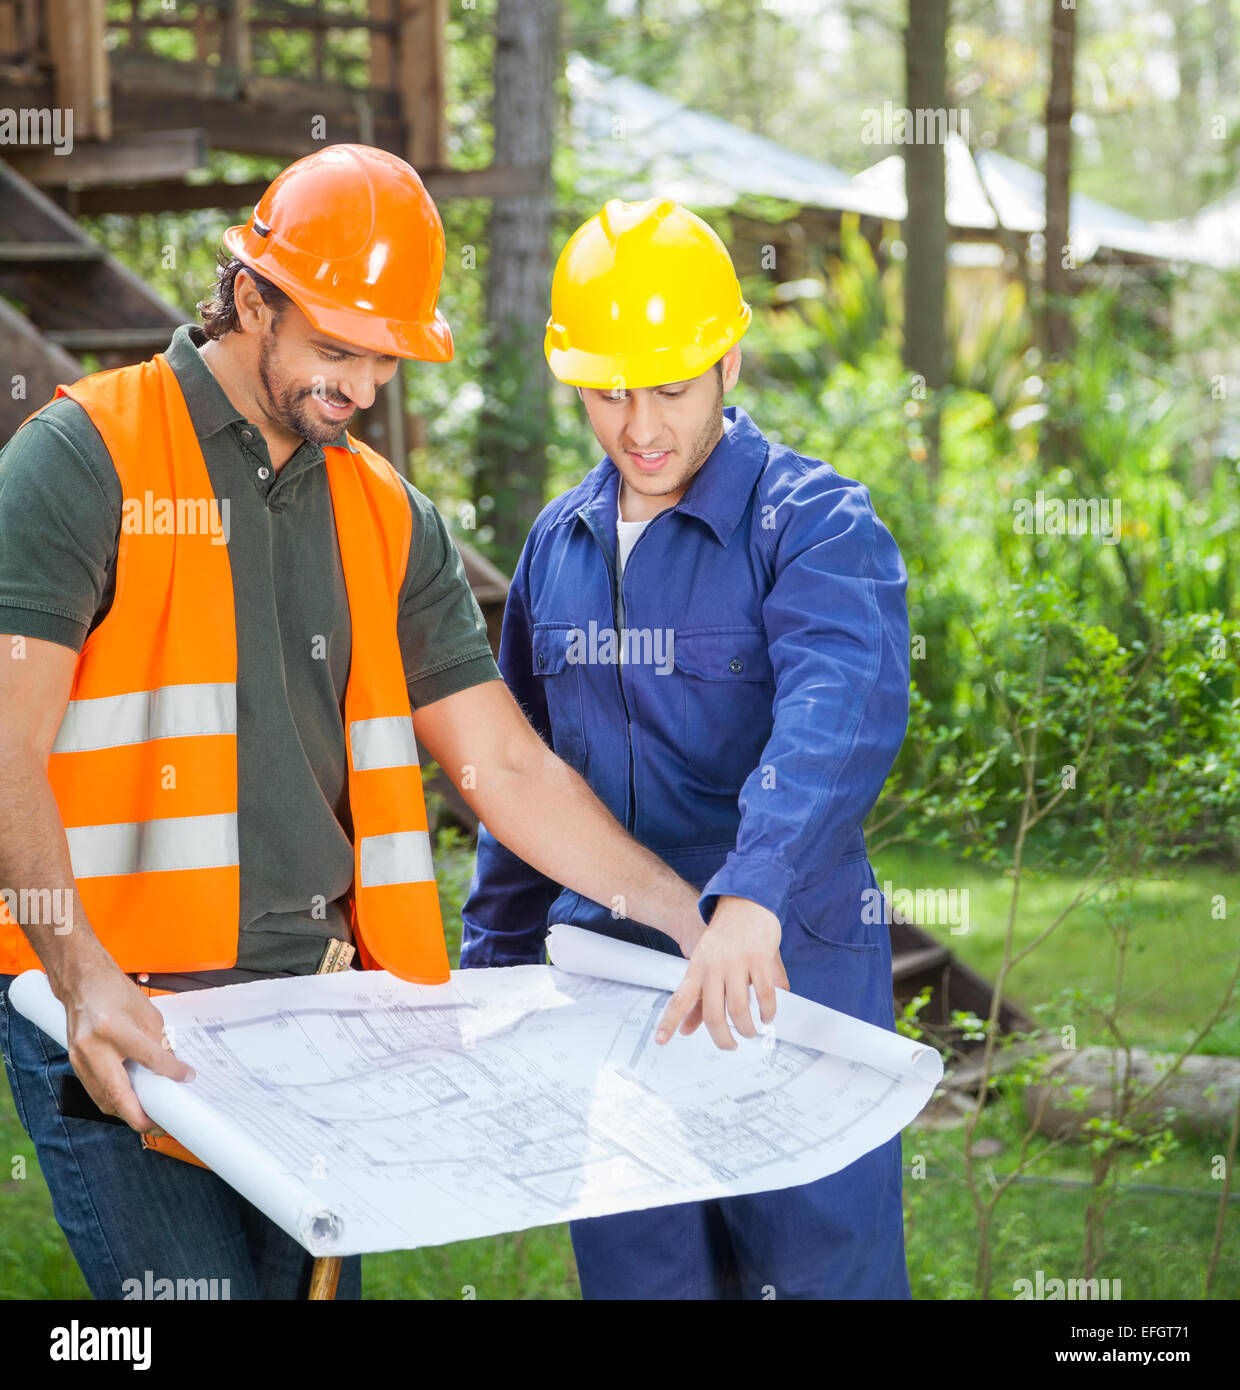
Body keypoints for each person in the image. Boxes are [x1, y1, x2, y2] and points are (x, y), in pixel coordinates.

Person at [0, 150, 710, 1301]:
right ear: (248, 296)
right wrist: (81, 978)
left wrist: (687, 913)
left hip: (326, 1021)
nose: (363, 386)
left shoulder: (388, 515)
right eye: (337, 347)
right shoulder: (85, 458)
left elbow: (508, 764)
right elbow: (5, 745)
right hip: (125, 1012)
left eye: (383, 356)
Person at [460, 197, 913, 1299]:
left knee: (817, 1283)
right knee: (643, 1284)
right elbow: (526, 778)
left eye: (670, 385)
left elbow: (838, 705)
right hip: (607, 1007)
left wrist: (750, 893)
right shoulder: (557, 545)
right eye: (610, 391)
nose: (640, 426)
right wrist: (489, 969)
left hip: (788, 987)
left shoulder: (813, 523)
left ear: (729, 362)